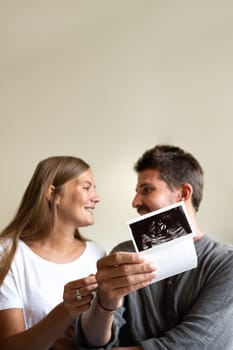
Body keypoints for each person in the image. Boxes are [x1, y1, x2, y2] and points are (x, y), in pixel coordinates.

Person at [75, 144, 233, 350]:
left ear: (184, 193)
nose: (135, 202)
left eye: (147, 190)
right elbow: (92, 342)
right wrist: (105, 302)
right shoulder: (124, 255)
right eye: (136, 192)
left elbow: (197, 345)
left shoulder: (226, 262)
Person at [0, 156, 105, 350]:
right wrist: (65, 311)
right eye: (86, 187)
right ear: (53, 193)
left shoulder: (97, 254)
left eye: (94, 188)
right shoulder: (7, 253)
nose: (96, 197)